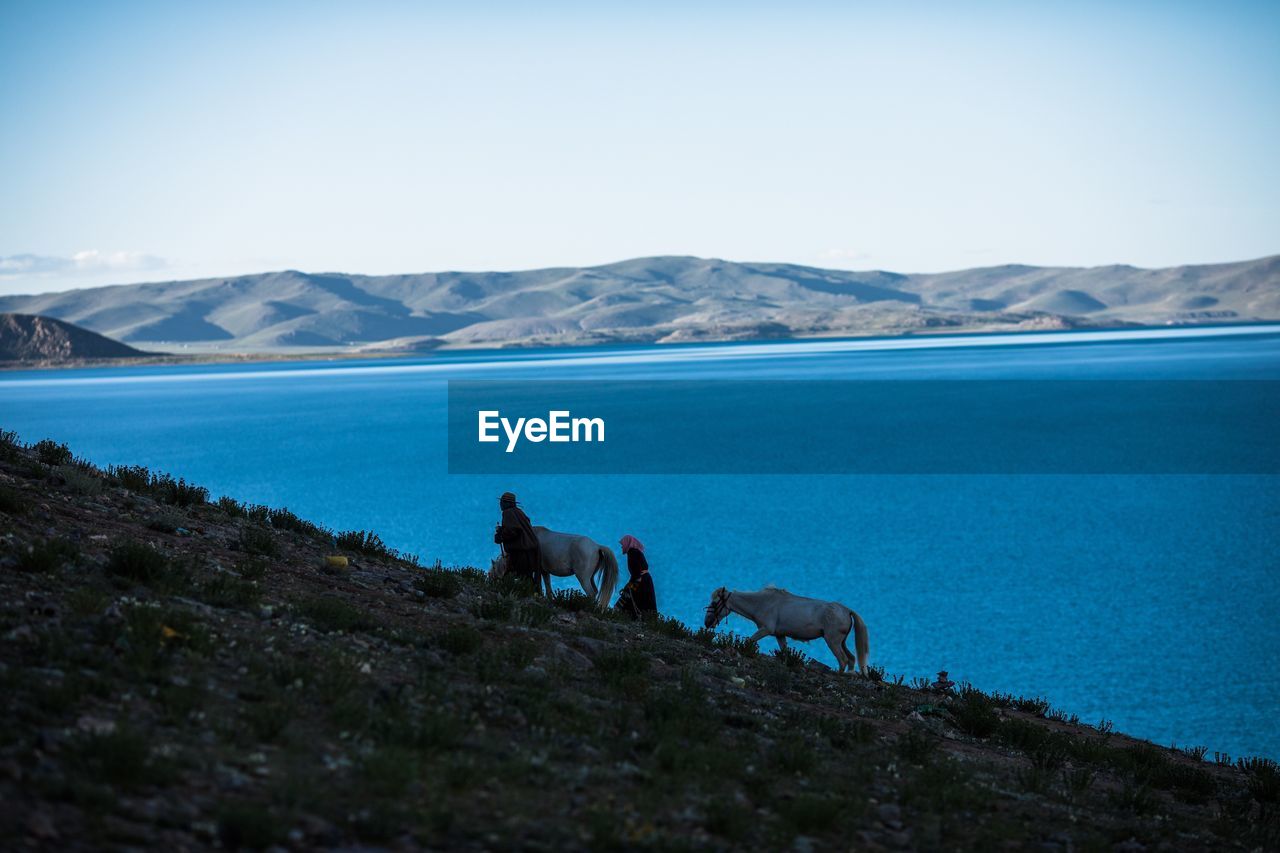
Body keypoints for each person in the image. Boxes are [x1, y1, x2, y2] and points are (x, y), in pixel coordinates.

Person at [493, 491, 546, 594]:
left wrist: (501, 536)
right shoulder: (519, 512)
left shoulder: (507, 513)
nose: (500, 505)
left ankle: (518, 597)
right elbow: (517, 528)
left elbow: (514, 531)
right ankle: (534, 596)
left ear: (507, 503)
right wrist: (502, 530)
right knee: (527, 577)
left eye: (502, 502)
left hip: (521, 552)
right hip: (530, 550)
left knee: (515, 577)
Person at [614, 534, 656, 619]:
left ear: (627, 543)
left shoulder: (632, 552)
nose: (622, 547)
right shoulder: (638, 552)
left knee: (627, 602)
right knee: (646, 604)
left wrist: (628, 586)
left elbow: (636, 572)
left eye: (622, 545)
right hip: (645, 581)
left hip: (640, 582)